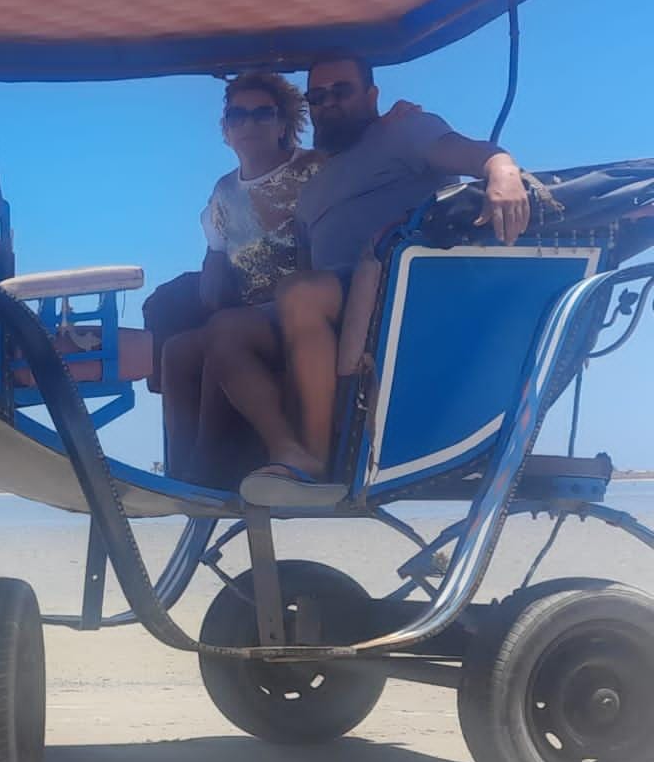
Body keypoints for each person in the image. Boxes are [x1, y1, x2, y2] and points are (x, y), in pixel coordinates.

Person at [202, 52, 532, 504]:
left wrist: (503, 171)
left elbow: (473, 153)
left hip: (398, 294)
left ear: (372, 95)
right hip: (331, 301)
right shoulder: (315, 182)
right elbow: (299, 260)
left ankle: (315, 461)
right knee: (226, 329)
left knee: (301, 292)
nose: (329, 103)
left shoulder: (404, 130)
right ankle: (284, 447)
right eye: (318, 96)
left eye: (343, 91)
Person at [159, 72, 322, 482]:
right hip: (252, 315)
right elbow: (215, 254)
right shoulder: (223, 191)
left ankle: (284, 450)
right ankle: (182, 476)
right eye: (238, 115)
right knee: (177, 350)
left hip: (306, 310)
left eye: (262, 114)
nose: (249, 124)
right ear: (226, 130)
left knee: (224, 332)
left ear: (283, 125)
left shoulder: (314, 170)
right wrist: (211, 277)